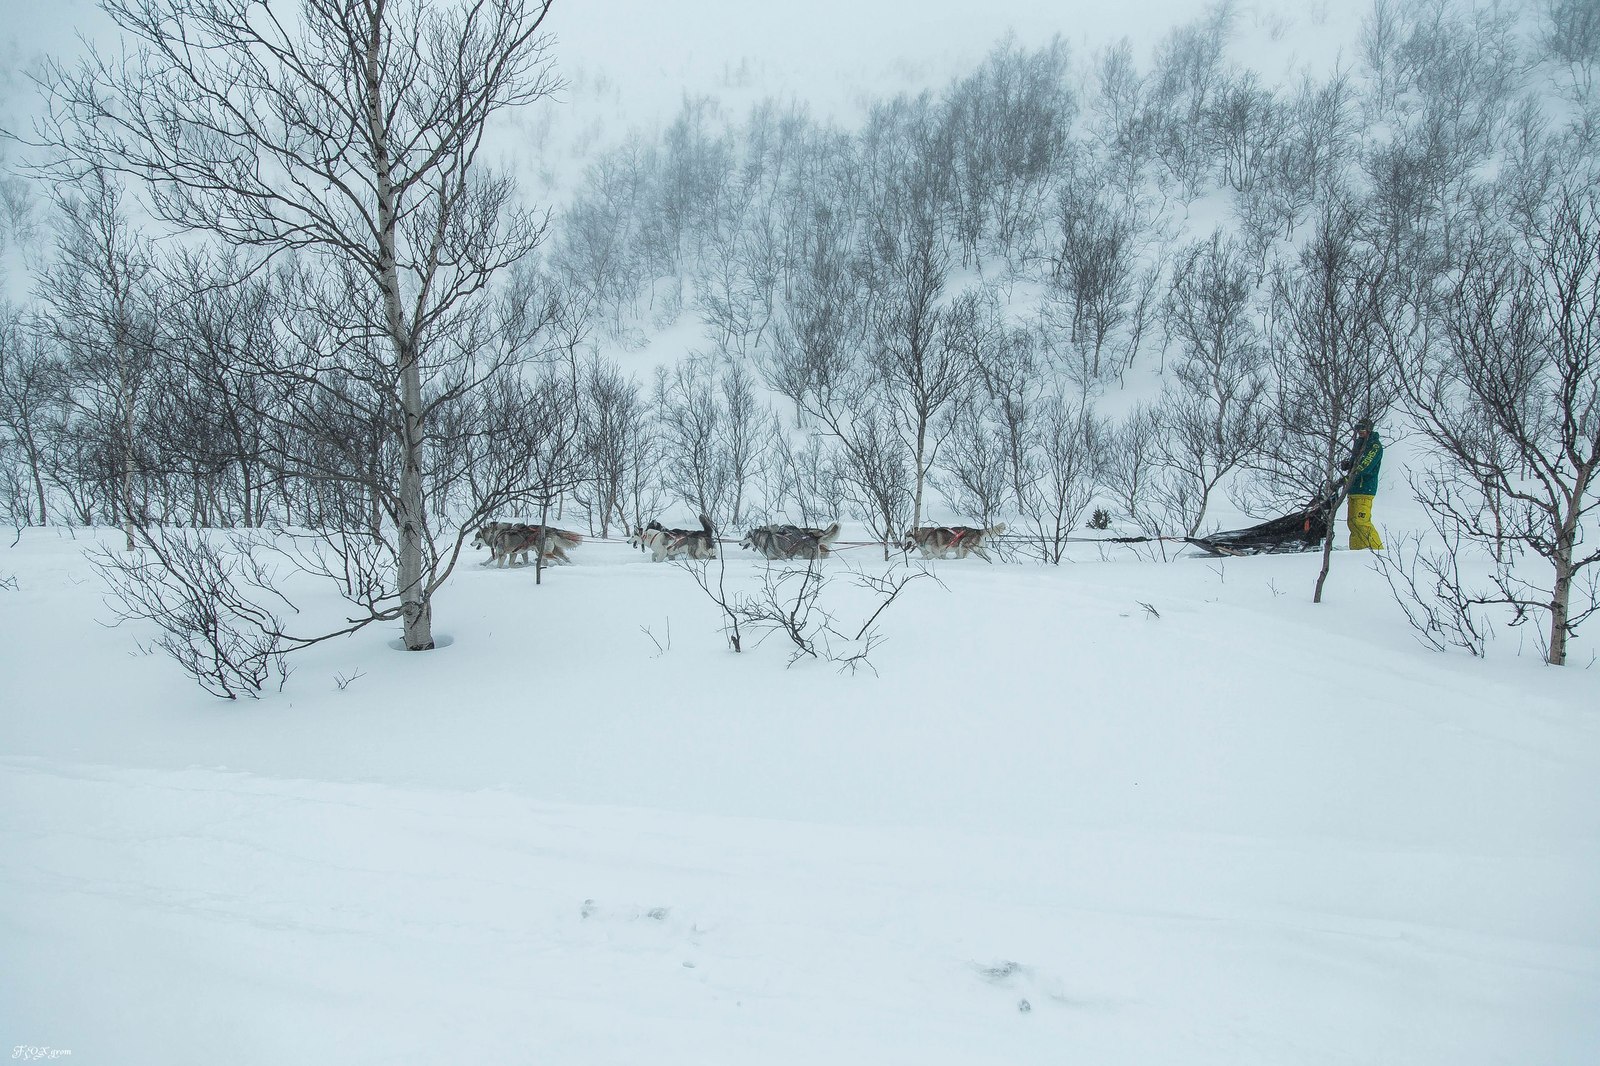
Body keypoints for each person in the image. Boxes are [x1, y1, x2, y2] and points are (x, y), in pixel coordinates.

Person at [1340, 418, 1383, 550]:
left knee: (1361, 522)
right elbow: (1356, 464)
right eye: (1358, 429)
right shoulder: (1359, 444)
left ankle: (1377, 550)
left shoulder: (1374, 446)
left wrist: (1349, 477)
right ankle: (1357, 551)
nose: (1360, 432)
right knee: (1352, 523)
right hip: (1353, 489)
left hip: (1364, 489)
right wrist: (1349, 465)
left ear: (1369, 429)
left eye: (1363, 429)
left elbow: (1365, 465)